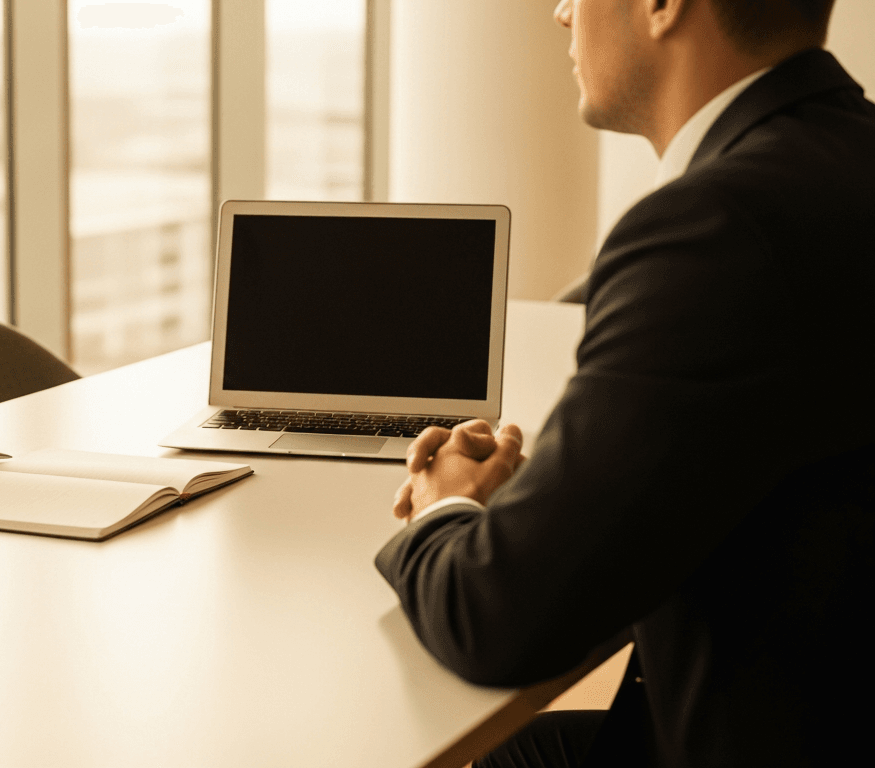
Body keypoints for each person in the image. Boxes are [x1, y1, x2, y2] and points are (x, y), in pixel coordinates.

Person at [375, 0, 875, 765]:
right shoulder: (848, 154)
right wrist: (564, 494)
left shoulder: (714, 227)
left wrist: (443, 504)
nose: (562, 13)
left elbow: (495, 620)